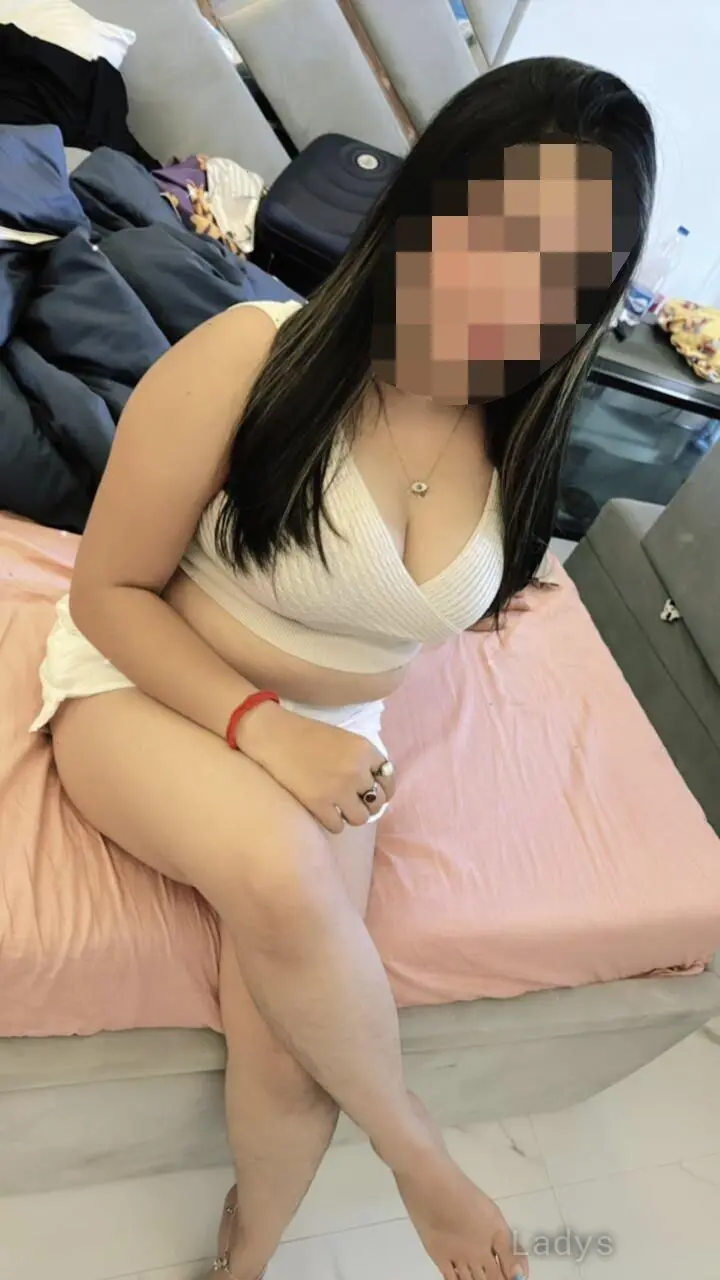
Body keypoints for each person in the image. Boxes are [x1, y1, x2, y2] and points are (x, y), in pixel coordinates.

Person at [33, 55, 655, 1280]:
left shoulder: (524, 435)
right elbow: (107, 594)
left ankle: (247, 1255)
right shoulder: (251, 355)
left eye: (568, 275)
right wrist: (267, 726)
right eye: (498, 237)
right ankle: (421, 1159)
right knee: (278, 868)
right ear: (429, 204)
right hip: (143, 686)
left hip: (330, 738)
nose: (521, 296)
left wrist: (317, 729)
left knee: (291, 1047)